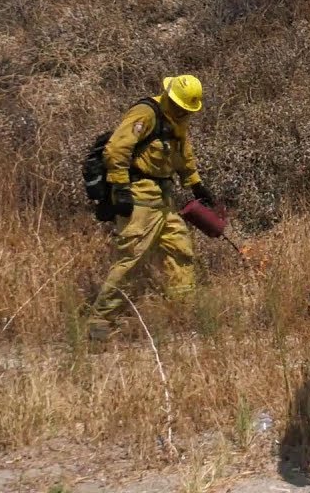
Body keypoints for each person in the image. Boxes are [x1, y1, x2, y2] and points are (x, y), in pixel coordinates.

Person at [86, 74, 217, 341]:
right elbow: (117, 149)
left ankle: (183, 315)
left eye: (186, 109)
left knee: (180, 249)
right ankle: (100, 321)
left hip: (163, 197)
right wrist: (120, 187)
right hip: (139, 195)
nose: (182, 112)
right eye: (179, 106)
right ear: (169, 96)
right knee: (132, 258)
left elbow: (183, 152)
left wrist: (195, 183)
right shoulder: (146, 113)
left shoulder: (178, 119)